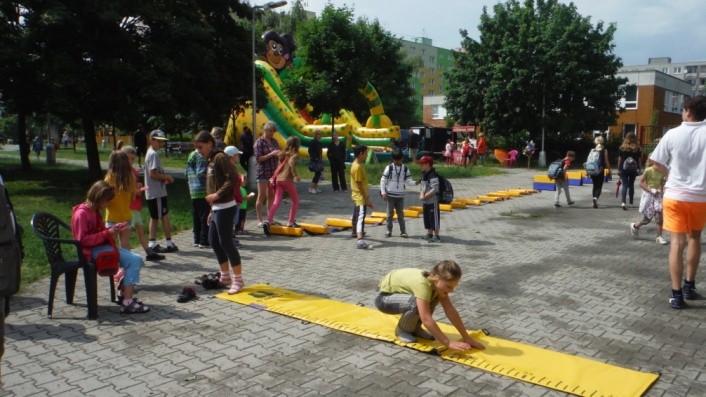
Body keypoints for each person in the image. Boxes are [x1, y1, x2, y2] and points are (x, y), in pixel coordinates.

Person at [649, 95, 706, 309]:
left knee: (676, 243)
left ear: (689, 111)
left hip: (675, 196)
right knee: (695, 239)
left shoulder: (672, 134)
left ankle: (676, 295)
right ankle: (689, 286)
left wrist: (670, 173)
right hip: (701, 196)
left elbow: (655, 162)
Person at [71, 181, 149, 314]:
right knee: (133, 261)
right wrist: (108, 232)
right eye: (107, 201)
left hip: (98, 248)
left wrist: (113, 229)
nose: (108, 204)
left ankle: (124, 294)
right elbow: (82, 241)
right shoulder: (82, 214)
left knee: (137, 259)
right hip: (88, 253)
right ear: (99, 198)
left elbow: (100, 233)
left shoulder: (94, 211)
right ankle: (127, 302)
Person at [374, 260, 486, 350]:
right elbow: (426, 318)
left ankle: (414, 327)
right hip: (383, 298)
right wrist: (447, 342)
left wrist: (467, 338)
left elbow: (450, 311)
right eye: (449, 286)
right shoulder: (422, 284)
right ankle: (402, 330)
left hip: (399, 295)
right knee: (416, 303)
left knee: (433, 296)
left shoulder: (436, 283)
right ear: (437, 279)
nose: (452, 291)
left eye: (454, 287)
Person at [193, 131, 245, 294]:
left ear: (210, 143)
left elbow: (233, 178)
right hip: (217, 208)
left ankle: (238, 280)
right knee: (213, 241)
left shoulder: (220, 158)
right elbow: (213, 185)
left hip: (226, 206)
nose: (199, 150)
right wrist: (211, 209)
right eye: (197, 148)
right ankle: (225, 276)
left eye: (201, 147)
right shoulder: (210, 160)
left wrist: (217, 195)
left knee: (226, 242)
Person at [121, 146, 164, 261]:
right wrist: (137, 191)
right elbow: (125, 191)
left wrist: (138, 186)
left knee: (140, 229)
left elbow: (133, 185)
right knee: (127, 234)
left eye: (133, 159)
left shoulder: (132, 170)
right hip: (128, 207)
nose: (131, 161)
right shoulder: (123, 172)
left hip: (135, 205)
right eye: (129, 158)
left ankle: (149, 253)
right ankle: (126, 256)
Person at [144, 129, 178, 253]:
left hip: (156, 191)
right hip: (156, 193)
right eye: (159, 141)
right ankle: (166, 243)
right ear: (151, 140)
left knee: (157, 217)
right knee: (161, 216)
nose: (161, 144)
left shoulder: (151, 153)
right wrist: (167, 177)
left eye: (162, 142)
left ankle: (154, 243)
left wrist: (163, 178)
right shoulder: (153, 154)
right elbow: (153, 174)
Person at [264, 136, 302, 234]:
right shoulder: (295, 154)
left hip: (278, 180)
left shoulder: (282, 153)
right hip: (287, 180)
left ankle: (268, 220)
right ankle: (290, 221)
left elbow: (280, 166)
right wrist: (296, 175)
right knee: (295, 201)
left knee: (276, 202)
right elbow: (291, 163)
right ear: (296, 145)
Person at [630, 157, 668, 245]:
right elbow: (641, 183)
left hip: (657, 196)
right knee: (647, 219)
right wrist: (650, 190)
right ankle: (635, 226)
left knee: (659, 217)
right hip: (648, 195)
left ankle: (659, 237)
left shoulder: (663, 171)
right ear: (653, 161)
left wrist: (661, 193)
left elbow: (662, 184)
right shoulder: (648, 170)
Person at [380, 151, 418, 238]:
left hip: (400, 196)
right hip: (390, 196)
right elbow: (383, 181)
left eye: (399, 159)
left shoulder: (405, 168)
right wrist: (383, 193)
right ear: (392, 159)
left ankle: (403, 231)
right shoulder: (389, 168)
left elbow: (408, 180)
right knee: (389, 214)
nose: (397, 161)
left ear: (402, 159)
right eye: (395, 160)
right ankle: (388, 231)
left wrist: (416, 183)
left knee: (401, 214)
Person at [104, 151, 136, 250]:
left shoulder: (108, 179)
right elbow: (133, 198)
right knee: (125, 244)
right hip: (126, 216)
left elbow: (105, 201)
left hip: (112, 217)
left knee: (111, 244)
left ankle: (115, 264)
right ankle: (128, 263)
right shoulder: (131, 177)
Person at [254, 122, 281, 226]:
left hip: (273, 172)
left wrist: (280, 155)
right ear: (265, 130)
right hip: (263, 172)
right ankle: (259, 219)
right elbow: (258, 159)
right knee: (261, 195)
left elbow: (278, 154)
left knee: (271, 195)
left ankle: (270, 218)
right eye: (270, 131)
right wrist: (271, 154)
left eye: (273, 131)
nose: (272, 133)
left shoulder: (274, 141)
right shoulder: (259, 142)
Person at [186, 144, 210, 248]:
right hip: (202, 190)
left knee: (196, 216)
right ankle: (204, 241)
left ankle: (196, 239)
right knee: (204, 216)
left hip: (193, 189)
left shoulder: (191, 155)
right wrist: (209, 180)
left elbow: (186, 172)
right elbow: (200, 174)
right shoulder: (200, 157)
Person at [351, 145, 373, 249]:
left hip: (357, 195)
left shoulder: (355, 164)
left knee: (356, 214)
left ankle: (355, 232)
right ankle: (360, 240)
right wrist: (366, 199)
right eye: (365, 153)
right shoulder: (358, 167)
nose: (367, 155)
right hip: (360, 197)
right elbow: (359, 185)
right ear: (360, 153)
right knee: (360, 217)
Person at [617, 133, 643, 210]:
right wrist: (640, 169)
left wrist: (619, 169)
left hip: (623, 169)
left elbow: (620, 160)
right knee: (631, 185)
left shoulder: (622, 148)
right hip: (633, 169)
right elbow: (639, 160)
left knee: (624, 185)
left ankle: (623, 202)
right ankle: (631, 202)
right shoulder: (637, 148)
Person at [418, 156, 441, 242]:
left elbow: (435, 189)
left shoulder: (433, 175)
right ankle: (429, 233)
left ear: (427, 164)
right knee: (427, 218)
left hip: (432, 201)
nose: (420, 165)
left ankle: (437, 236)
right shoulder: (424, 174)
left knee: (434, 218)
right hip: (426, 201)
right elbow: (422, 187)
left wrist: (425, 196)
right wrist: (421, 194)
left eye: (422, 164)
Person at [588, 136, 611, 209]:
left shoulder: (593, 150)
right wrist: (609, 170)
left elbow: (589, 160)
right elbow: (606, 161)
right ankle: (595, 198)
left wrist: (587, 171)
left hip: (592, 169)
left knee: (595, 185)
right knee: (599, 186)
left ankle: (594, 200)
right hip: (600, 170)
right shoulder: (604, 150)